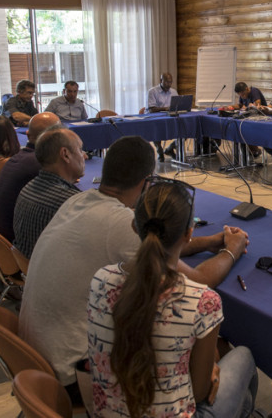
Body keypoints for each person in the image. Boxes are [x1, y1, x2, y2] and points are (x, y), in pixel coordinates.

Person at [19, 136, 249, 401]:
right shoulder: (120, 221)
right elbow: (199, 280)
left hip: (37, 358)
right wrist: (232, 249)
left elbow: (155, 240)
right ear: (146, 181)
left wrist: (206, 243)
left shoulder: (77, 201)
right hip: (77, 374)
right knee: (233, 354)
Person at [88, 179, 257, 418]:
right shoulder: (203, 301)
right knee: (244, 357)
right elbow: (200, 394)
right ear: (189, 233)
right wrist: (208, 367)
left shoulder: (100, 279)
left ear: (135, 228)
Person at [12, 127, 85, 259]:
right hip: (53, 275)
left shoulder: (29, 186)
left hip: (29, 268)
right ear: (65, 154)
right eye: (80, 150)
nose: (85, 155)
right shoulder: (71, 202)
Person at [0, 112, 61, 241]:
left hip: (0, 241)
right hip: (17, 245)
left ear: (27, 134)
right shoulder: (40, 164)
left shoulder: (17, 159)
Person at [147, 72, 179, 161]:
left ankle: (169, 149)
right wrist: (166, 109)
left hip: (170, 118)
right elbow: (151, 109)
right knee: (156, 128)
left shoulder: (173, 91)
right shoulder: (152, 91)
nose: (168, 84)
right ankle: (159, 150)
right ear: (161, 81)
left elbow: (177, 105)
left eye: (170, 82)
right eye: (166, 82)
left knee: (184, 128)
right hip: (156, 118)